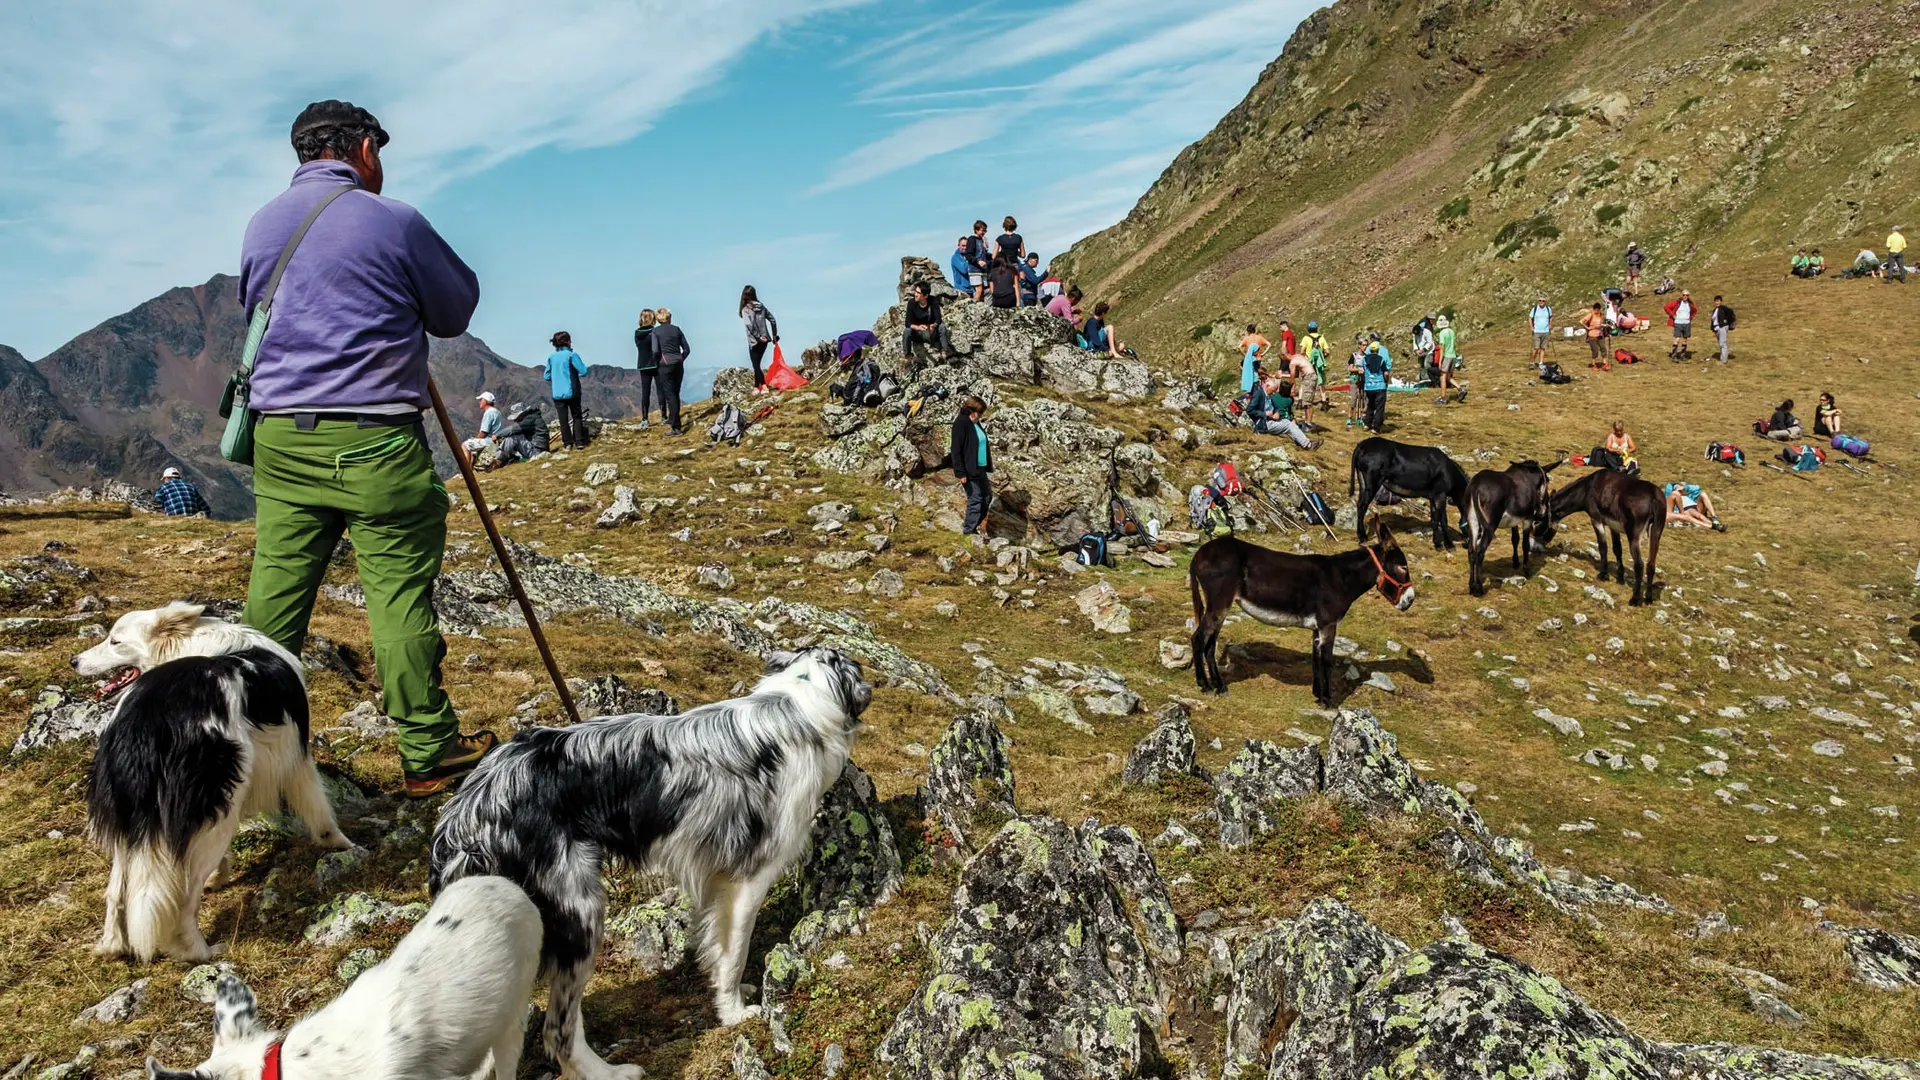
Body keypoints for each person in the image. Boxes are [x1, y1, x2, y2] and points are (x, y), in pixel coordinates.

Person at [237, 99, 492, 797]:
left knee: (273, 602)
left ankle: (249, 756)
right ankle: (429, 750)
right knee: (399, 597)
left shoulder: (262, 224)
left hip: (282, 438)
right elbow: (454, 310)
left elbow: (258, 309)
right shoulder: (394, 220)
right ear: (364, 149)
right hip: (376, 438)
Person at [950, 396, 993, 536]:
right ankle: (969, 531)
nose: (981, 416)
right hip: (969, 469)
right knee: (975, 499)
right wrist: (960, 473)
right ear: (972, 410)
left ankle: (973, 524)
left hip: (979, 467)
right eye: (980, 412)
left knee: (987, 497)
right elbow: (956, 450)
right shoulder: (961, 423)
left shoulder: (975, 422)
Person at [1249, 374, 1321, 450]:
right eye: (1273, 391)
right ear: (1267, 386)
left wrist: (1276, 412)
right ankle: (1308, 445)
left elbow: (1275, 407)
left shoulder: (1268, 395)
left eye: (1274, 391)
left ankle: (1303, 441)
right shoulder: (1259, 395)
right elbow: (1249, 410)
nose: (1273, 393)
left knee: (1287, 422)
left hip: (1270, 420)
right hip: (1263, 424)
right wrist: (1264, 414)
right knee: (1289, 425)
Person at [544, 331, 589, 450]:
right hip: (572, 391)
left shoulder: (551, 357)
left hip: (557, 393)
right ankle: (579, 442)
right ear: (567, 342)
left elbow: (546, 376)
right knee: (576, 416)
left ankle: (567, 443)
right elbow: (584, 371)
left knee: (563, 419)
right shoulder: (571, 355)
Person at [650, 306, 691, 436]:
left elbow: (655, 351)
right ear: (669, 318)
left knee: (670, 395)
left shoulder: (655, 332)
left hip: (664, 365)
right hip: (678, 364)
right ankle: (675, 422)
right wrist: (681, 359)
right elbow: (687, 349)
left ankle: (675, 427)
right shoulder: (676, 330)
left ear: (658, 319)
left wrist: (656, 363)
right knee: (676, 393)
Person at [903, 280, 955, 365]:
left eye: (918, 293)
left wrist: (933, 326)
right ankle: (908, 355)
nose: (915, 294)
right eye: (915, 292)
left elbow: (938, 319)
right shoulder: (911, 303)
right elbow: (907, 323)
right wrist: (918, 327)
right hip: (918, 333)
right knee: (907, 331)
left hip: (931, 332)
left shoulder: (933, 301)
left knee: (942, 327)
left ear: (925, 295)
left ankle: (945, 351)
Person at [739, 285, 779, 394]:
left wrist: (758, 337)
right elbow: (773, 320)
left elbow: (749, 325)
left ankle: (764, 386)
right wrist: (774, 336)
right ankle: (756, 387)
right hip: (765, 340)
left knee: (755, 364)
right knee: (756, 363)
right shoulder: (761, 306)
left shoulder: (746, 309)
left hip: (754, 341)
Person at [634, 309, 659, 429]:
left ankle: (644, 418)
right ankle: (664, 416)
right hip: (655, 363)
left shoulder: (637, 333)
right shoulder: (654, 331)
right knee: (660, 390)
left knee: (645, 392)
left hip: (643, 364)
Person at [1360, 334, 1391, 432]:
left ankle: (1367, 424)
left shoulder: (1365, 359)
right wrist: (1387, 380)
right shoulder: (1381, 359)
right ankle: (1376, 427)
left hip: (1369, 386)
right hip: (1380, 385)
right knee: (1379, 407)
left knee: (1370, 405)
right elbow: (1386, 372)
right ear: (1378, 350)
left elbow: (1363, 370)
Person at [462, 390, 503, 459]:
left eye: (481, 400)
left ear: (485, 401)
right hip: (499, 440)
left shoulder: (488, 413)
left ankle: (466, 468)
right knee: (473, 450)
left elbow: (484, 432)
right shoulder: (497, 412)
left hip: (491, 441)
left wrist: (475, 439)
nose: (479, 402)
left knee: (465, 445)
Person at [1287, 348, 1318, 428]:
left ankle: (1309, 424)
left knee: (1307, 402)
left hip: (1309, 377)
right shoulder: (1297, 356)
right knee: (1305, 401)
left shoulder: (1293, 362)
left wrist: (1289, 388)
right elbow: (1296, 375)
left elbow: (1292, 377)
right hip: (1309, 377)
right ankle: (1307, 422)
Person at [1434, 315, 1462, 404]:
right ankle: (1460, 389)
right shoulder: (1451, 331)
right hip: (1453, 355)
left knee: (1443, 377)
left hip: (1446, 356)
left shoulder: (1442, 333)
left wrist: (1440, 361)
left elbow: (1442, 348)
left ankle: (1443, 398)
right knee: (1448, 377)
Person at [1664, 289, 1697, 360]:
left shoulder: (1690, 304)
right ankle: (1674, 355)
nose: (1685, 296)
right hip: (1678, 323)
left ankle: (1683, 355)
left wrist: (1690, 318)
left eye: (1687, 295)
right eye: (1684, 295)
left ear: (1688, 296)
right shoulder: (1677, 302)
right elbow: (1666, 307)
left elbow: (1694, 311)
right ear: (1681, 295)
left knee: (1685, 340)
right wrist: (1672, 315)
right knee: (1677, 339)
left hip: (1687, 323)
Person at [1239, 323, 1270, 393]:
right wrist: (1263, 353)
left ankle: (1250, 390)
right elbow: (1269, 344)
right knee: (1257, 374)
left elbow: (1239, 347)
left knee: (1249, 374)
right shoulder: (1259, 337)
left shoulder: (1246, 338)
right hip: (1257, 358)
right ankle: (1259, 388)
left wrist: (1245, 355)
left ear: (1248, 331)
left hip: (1249, 359)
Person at [966, 220, 992, 302]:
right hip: (974, 270)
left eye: (985, 230)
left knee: (983, 291)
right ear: (976, 230)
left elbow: (984, 253)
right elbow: (968, 255)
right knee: (979, 289)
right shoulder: (972, 239)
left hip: (983, 270)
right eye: (982, 230)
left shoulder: (982, 240)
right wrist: (978, 261)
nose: (984, 232)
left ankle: (980, 307)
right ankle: (974, 307)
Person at [1709, 295, 1735, 364]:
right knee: (1721, 344)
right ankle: (1722, 358)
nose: (1717, 302)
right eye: (1716, 301)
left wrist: (1729, 322)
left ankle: (1724, 360)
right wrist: (1713, 330)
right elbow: (1713, 321)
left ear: (1720, 301)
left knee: (1723, 343)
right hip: (1717, 328)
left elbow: (1731, 313)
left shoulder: (1723, 308)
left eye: (1718, 301)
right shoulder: (1714, 310)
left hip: (1722, 327)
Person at [1582, 302, 1609, 367]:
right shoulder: (1591, 315)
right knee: (1595, 350)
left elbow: (1602, 324)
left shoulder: (1601, 315)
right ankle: (1594, 364)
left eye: (1598, 310)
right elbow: (1581, 321)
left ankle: (1604, 363)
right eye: (1595, 310)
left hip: (1600, 334)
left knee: (1603, 348)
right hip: (1592, 335)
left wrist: (1605, 328)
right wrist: (1587, 328)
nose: (1596, 311)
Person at [1529, 295, 1553, 366]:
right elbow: (1530, 318)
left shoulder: (1548, 309)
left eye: (1543, 301)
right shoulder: (1535, 309)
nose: (1541, 302)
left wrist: (1550, 325)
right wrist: (1531, 327)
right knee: (1536, 348)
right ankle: (1532, 362)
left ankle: (1541, 363)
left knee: (1543, 348)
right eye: (1540, 300)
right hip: (1537, 331)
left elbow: (1551, 317)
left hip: (1546, 331)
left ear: (1545, 302)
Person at [1411, 316, 1435, 385]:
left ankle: (1431, 379)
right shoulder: (1415, 334)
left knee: (1427, 365)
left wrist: (1424, 349)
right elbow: (1414, 343)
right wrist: (1416, 350)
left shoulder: (1427, 332)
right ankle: (1424, 380)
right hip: (1420, 352)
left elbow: (1430, 342)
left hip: (1428, 352)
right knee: (1421, 366)